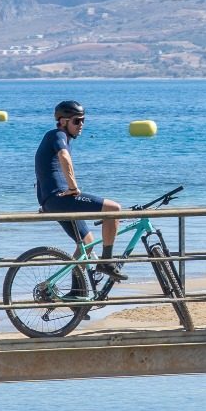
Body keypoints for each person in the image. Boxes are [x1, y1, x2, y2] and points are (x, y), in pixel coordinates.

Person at [35, 100, 125, 284]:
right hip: (59, 198)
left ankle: (75, 294)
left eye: (83, 120)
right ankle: (107, 262)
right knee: (114, 209)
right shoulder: (57, 135)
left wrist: (45, 203)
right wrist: (73, 188)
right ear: (62, 121)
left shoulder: (57, 137)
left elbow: (46, 171)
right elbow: (64, 157)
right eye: (77, 121)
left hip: (53, 201)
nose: (81, 125)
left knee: (87, 243)